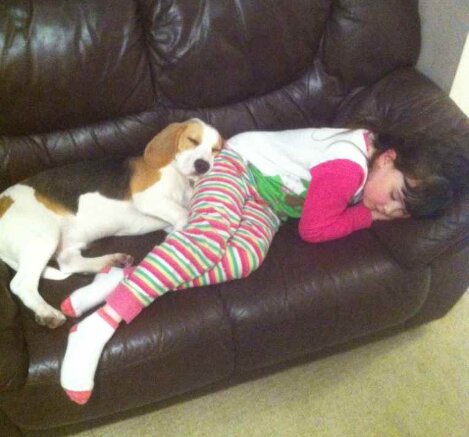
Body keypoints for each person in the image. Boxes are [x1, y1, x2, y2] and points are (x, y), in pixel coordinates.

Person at [59, 126, 469, 404]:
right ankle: (99, 325)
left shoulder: (373, 169)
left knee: (244, 259)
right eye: (395, 195)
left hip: (270, 201)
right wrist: (367, 216)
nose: (389, 209)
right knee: (206, 240)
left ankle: (121, 280)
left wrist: (379, 207)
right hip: (240, 166)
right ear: (386, 159)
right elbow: (314, 229)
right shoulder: (348, 166)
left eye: (401, 212)